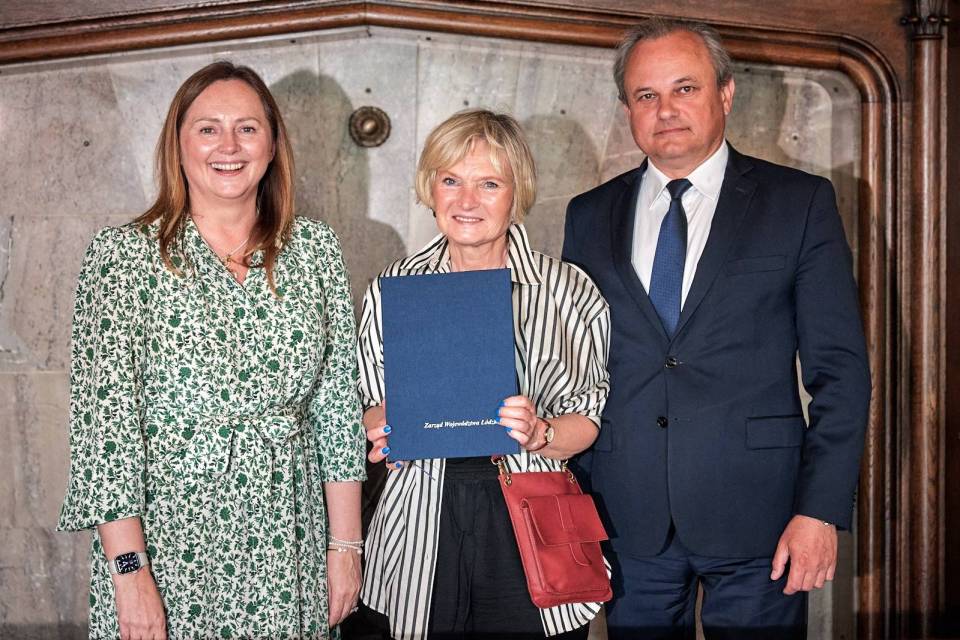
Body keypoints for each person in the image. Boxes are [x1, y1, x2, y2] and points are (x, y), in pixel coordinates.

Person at [562, 18, 871, 639]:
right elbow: (571, 363)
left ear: (725, 94)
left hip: (762, 518)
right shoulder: (588, 215)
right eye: (646, 95)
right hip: (626, 517)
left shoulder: (799, 203)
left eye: (685, 88)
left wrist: (819, 510)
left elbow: (840, 372)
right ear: (627, 109)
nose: (666, 110)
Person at [58, 61, 366, 640]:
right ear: (178, 144)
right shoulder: (123, 258)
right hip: (169, 549)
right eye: (208, 129)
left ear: (272, 145)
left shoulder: (315, 249)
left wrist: (345, 548)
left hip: (290, 541)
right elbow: (105, 434)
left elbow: (337, 412)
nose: (229, 146)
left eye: (247, 128)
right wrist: (130, 574)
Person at [356, 109, 611, 640]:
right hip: (419, 515)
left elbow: (587, 421)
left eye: (489, 183)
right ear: (431, 188)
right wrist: (383, 425)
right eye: (451, 180)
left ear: (517, 193)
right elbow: (369, 410)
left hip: (533, 515)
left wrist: (541, 432)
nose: (466, 201)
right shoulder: (392, 289)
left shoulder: (569, 291)